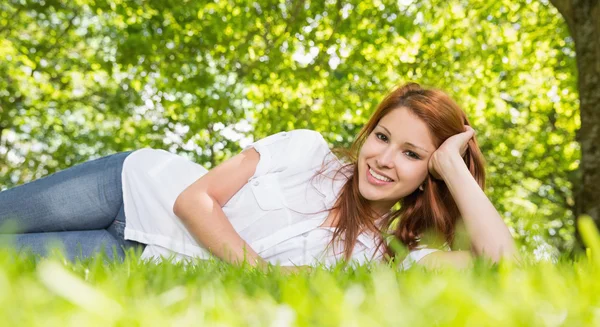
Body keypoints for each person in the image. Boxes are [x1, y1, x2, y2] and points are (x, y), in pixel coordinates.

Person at [0, 82, 517, 270]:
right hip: (130, 185)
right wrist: (260, 274)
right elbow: (195, 200)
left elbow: (500, 264)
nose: (383, 158)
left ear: (430, 174)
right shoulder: (307, 149)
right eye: (382, 137)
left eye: (411, 154)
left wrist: (454, 166)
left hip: (137, 254)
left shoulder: (390, 260)